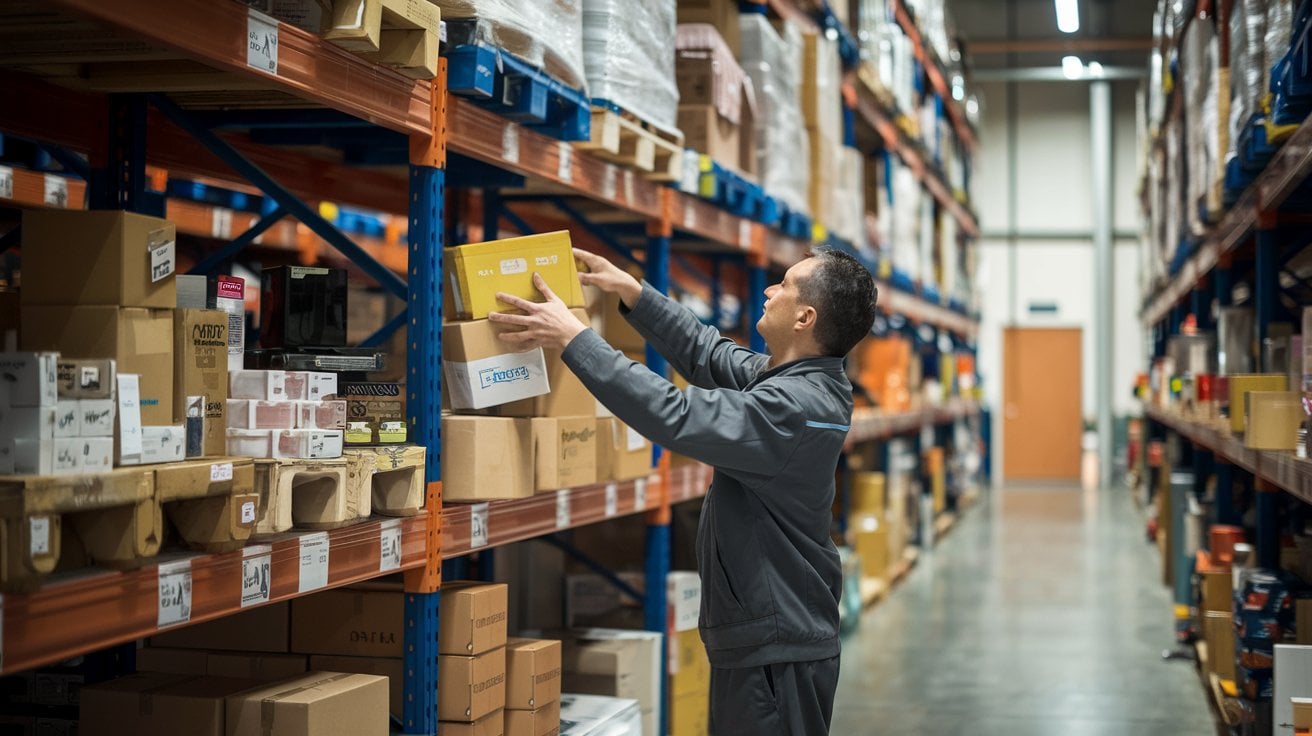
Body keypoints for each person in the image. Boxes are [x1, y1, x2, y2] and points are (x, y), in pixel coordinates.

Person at [489, 246, 878, 735]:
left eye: (784, 284)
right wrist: (634, 293)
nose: (768, 290)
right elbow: (708, 353)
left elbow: (676, 414)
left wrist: (577, 340)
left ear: (805, 317)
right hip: (767, 633)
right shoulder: (792, 381)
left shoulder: (795, 407)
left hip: (778, 646)